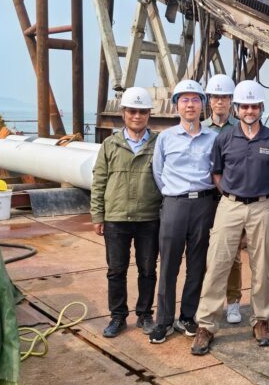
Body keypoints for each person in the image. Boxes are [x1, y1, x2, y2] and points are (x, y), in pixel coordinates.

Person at [191, 79, 269, 355]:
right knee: (217, 263)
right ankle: (206, 324)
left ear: (261, 108)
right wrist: (232, 197)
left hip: (262, 206)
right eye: (245, 106)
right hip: (229, 205)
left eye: (254, 106)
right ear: (237, 108)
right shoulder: (224, 138)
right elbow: (216, 174)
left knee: (261, 266)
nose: (249, 111)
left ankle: (261, 319)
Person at [149, 79, 218, 344]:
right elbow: (158, 172)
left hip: (203, 204)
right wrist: (173, 194)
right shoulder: (165, 138)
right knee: (169, 264)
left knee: (197, 264)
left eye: (195, 99)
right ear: (176, 105)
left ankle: (187, 316)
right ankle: (163, 320)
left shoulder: (213, 138)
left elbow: (216, 170)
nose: (190, 105)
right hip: (174, 204)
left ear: (203, 105)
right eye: (184, 100)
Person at [91, 87, 162, 338]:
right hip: (116, 217)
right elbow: (99, 181)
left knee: (148, 269)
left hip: (149, 217)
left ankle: (145, 314)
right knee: (116, 270)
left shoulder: (159, 144)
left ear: (149, 114)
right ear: (123, 113)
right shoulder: (109, 145)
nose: (137, 116)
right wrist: (97, 215)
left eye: (142, 112)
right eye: (132, 111)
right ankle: (118, 316)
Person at [203, 74, 243, 325]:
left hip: (230, 200)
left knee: (233, 256)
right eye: (216, 97)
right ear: (209, 100)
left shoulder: (240, 129)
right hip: (205, 199)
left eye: (225, 97)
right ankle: (206, 301)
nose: (220, 101)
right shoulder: (201, 128)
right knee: (203, 254)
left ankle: (234, 301)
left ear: (231, 101)